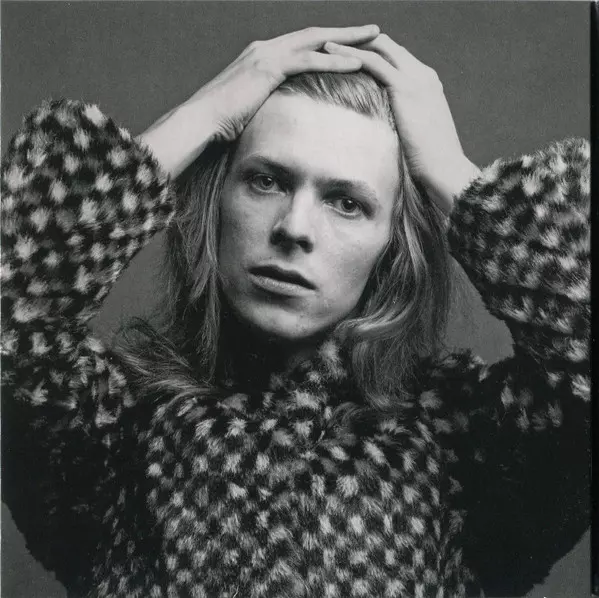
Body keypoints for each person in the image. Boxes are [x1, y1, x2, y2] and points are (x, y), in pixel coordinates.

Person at [1, 25, 589, 598]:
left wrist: (452, 174)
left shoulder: (466, 440)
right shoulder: (113, 430)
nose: (294, 227)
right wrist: (200, 116)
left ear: (393, 245)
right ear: (217, 202)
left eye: (347, 203)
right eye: (266, 181)